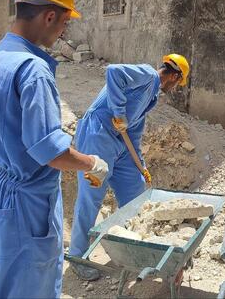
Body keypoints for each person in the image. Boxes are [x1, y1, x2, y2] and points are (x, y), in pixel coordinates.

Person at [0, 0, 109, 298]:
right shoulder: (33, 70)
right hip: (26, 204)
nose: (64, 31)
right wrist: (92, 163)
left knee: (7, 288)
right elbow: (51, 151)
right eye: (65, 22)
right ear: (49, 16)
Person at [68, 54, 190, 280]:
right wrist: (119, 112)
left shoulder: (151, 96)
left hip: (121, 143)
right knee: (92, 196)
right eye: (177, 84)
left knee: (135, 190)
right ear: (174, 76)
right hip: (98, 134)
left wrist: (140, 165)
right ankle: (77, 256)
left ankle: (127, 247)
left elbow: (133, 132)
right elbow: (113, 71)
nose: (175, 88)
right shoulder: (147, 75)